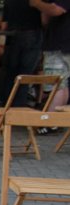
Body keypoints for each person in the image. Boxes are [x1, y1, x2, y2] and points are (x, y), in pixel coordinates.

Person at [29, 0, 70, 129]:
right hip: (62, 44)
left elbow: (56, 10)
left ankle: (49, 122)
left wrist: (36, 3)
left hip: (59, 44)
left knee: (56, 85)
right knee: (63, 84)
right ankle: (56, 121)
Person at [0, 0, 43, 107]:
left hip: (12, 34)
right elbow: (44, 19)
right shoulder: (37, 2)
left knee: (10, 72)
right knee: (25, 74)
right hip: (32, 32)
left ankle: (7, 105)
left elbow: (4, 25)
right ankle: (18, 105)